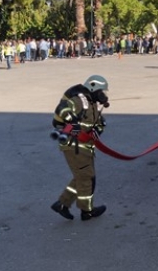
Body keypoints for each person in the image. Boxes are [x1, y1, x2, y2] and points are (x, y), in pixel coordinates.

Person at [50, 75, 110, 221]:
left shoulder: (92, 104)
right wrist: (72, 119)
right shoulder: (80, 100)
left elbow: (98, 122)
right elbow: (61, 110)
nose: (104, 95)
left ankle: (62, 204)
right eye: (102, 91)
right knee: (87, 177)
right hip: (74, 146)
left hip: (85, 147)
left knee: (82, 177)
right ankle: (86, 211)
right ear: (93, 88)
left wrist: (98, 129)